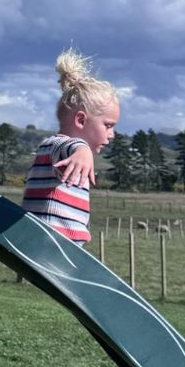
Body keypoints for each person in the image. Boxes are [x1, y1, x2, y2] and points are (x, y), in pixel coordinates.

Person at [22, 49, 120, 242]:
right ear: (81, 120)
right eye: (108, 125)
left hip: (61, 247)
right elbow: (67, 145)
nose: (112, 134)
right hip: (50, 246)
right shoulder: (55, 147)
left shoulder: (68, 158)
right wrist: (82, 150)